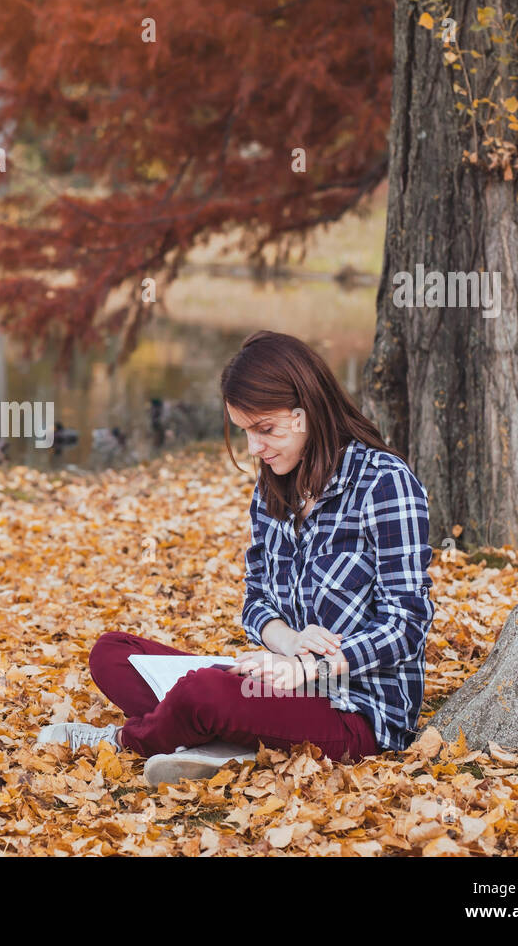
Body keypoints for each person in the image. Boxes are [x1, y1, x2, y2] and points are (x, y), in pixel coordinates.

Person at [37, 330, 435, 785]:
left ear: (306, 413)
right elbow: (256, 602)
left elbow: (407, 622)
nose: (254, 449)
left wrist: (311, 666)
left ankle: (126, 740)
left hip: (357, 711)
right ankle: (215, 735)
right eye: (245, 431)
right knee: (112, 653)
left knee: (203, 693)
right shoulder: (273, 489)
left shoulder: (384, 483)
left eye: (265, 430)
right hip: (281, 681)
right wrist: (287, 643)